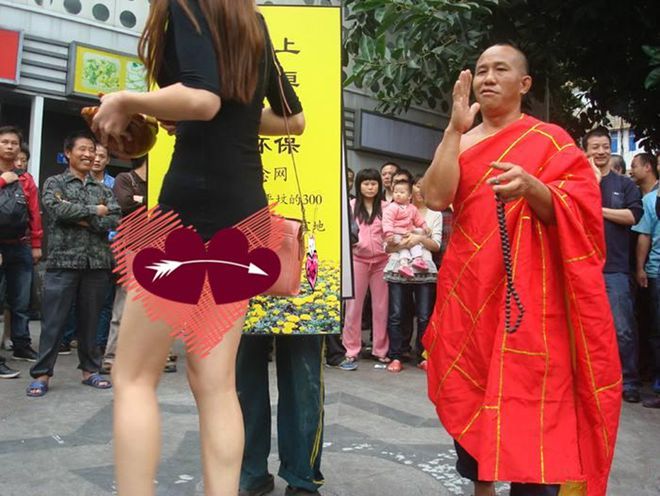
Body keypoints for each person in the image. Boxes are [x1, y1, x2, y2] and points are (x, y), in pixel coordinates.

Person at [90, 1, 305, 494]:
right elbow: (293, 121)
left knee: (133, 376)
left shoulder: (186, 5)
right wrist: (190, 117)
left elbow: (204, 99)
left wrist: (127, 99)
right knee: (215, 384)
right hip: (244, 214)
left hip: (186, 214)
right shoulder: (252, 20)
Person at [421, 44, 621, 496]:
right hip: (471, 291)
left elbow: (581, 214)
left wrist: (534, 188)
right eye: (481, 71)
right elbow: (435, 197)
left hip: (531, 299)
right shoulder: (462, 139)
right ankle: (482, 487)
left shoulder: (550, 141)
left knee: (532, 396)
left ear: (524, 84)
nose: (488, 78)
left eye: (500, 70)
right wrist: (453, 130)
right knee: (472, 389)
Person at [27, 131, 120, 397]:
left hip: (96, 263)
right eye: (83, 149)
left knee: (91, 321)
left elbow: (114, 218)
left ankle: (90, 370)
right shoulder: (54, 182)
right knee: (53, 322)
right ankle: (42, 374)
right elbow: (56, 210)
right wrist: (94, 211)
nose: (88, 154)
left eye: (92, 150)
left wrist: (80, 216)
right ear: (68, 153)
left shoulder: (103, 189)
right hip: (63, 261)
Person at [584, 127, 643, 403]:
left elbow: (632, 216)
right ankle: (593, 381)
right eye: (595, 147)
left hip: (615, 268)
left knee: (623, 329)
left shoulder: (625, 184)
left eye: (605, 146)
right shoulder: (579, 181)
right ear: (585, 150)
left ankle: (629, 381)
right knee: (587, 330)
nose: (601, 152)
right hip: (583, 268)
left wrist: (597, 210)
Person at [384, 174, 441, 372]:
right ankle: (396, 355)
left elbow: (436, 245)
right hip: (398, 267)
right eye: (417, 185)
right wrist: (400, 242)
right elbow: (387, 246)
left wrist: (418, 239)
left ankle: (423, 355)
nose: (420, 190)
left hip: (424, 269)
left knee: (424, 315)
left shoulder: (435, 214)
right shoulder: (392, 210)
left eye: (424, 186)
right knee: (397, 314)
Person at [0, 126, 43, 362]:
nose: (9, 146)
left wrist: (36, 244)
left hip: (20, 244)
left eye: (14, 143)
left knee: (21, 300)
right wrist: (2, 181)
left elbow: (34, 213)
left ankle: (21, 344)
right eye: (4, 142)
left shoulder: (26, 179)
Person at [101, 155, 148, 373]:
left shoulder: (159, 180)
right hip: (130, 250)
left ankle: (147, 357)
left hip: (155, 250)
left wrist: (141, 200)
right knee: (122, 306)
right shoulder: (125, 179)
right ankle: (111, 357)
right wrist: (145, 200)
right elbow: (125, 202)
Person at [341, 169, 390, 370]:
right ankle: (351, 350)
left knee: (381, 307)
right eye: (366, 183)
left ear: (379, 185)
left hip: (382, 261)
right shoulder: (351, 206)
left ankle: (380, 350)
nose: (370, 187)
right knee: (353, 307)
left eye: (374, 183)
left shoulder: (387, 207)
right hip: (357, 260)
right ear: (359, 185)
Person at [632, 158, 660, 408]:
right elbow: (644, 235)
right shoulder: (651, 200)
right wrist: (640, 267)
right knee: (656, 331)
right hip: (656, 271)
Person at [382, 179, 431, 278]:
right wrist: (389, 234)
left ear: (409, 196)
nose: (398, 194)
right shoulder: (392, 207)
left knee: (415, 242)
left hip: (407, 233)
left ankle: (417, 260)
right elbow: (387, 221)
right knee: (403, 247)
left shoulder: (412, 208)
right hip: (395, 234)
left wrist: (424, 226)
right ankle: (404, 264)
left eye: (401, 192)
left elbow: (419, 219)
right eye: (395, 192)